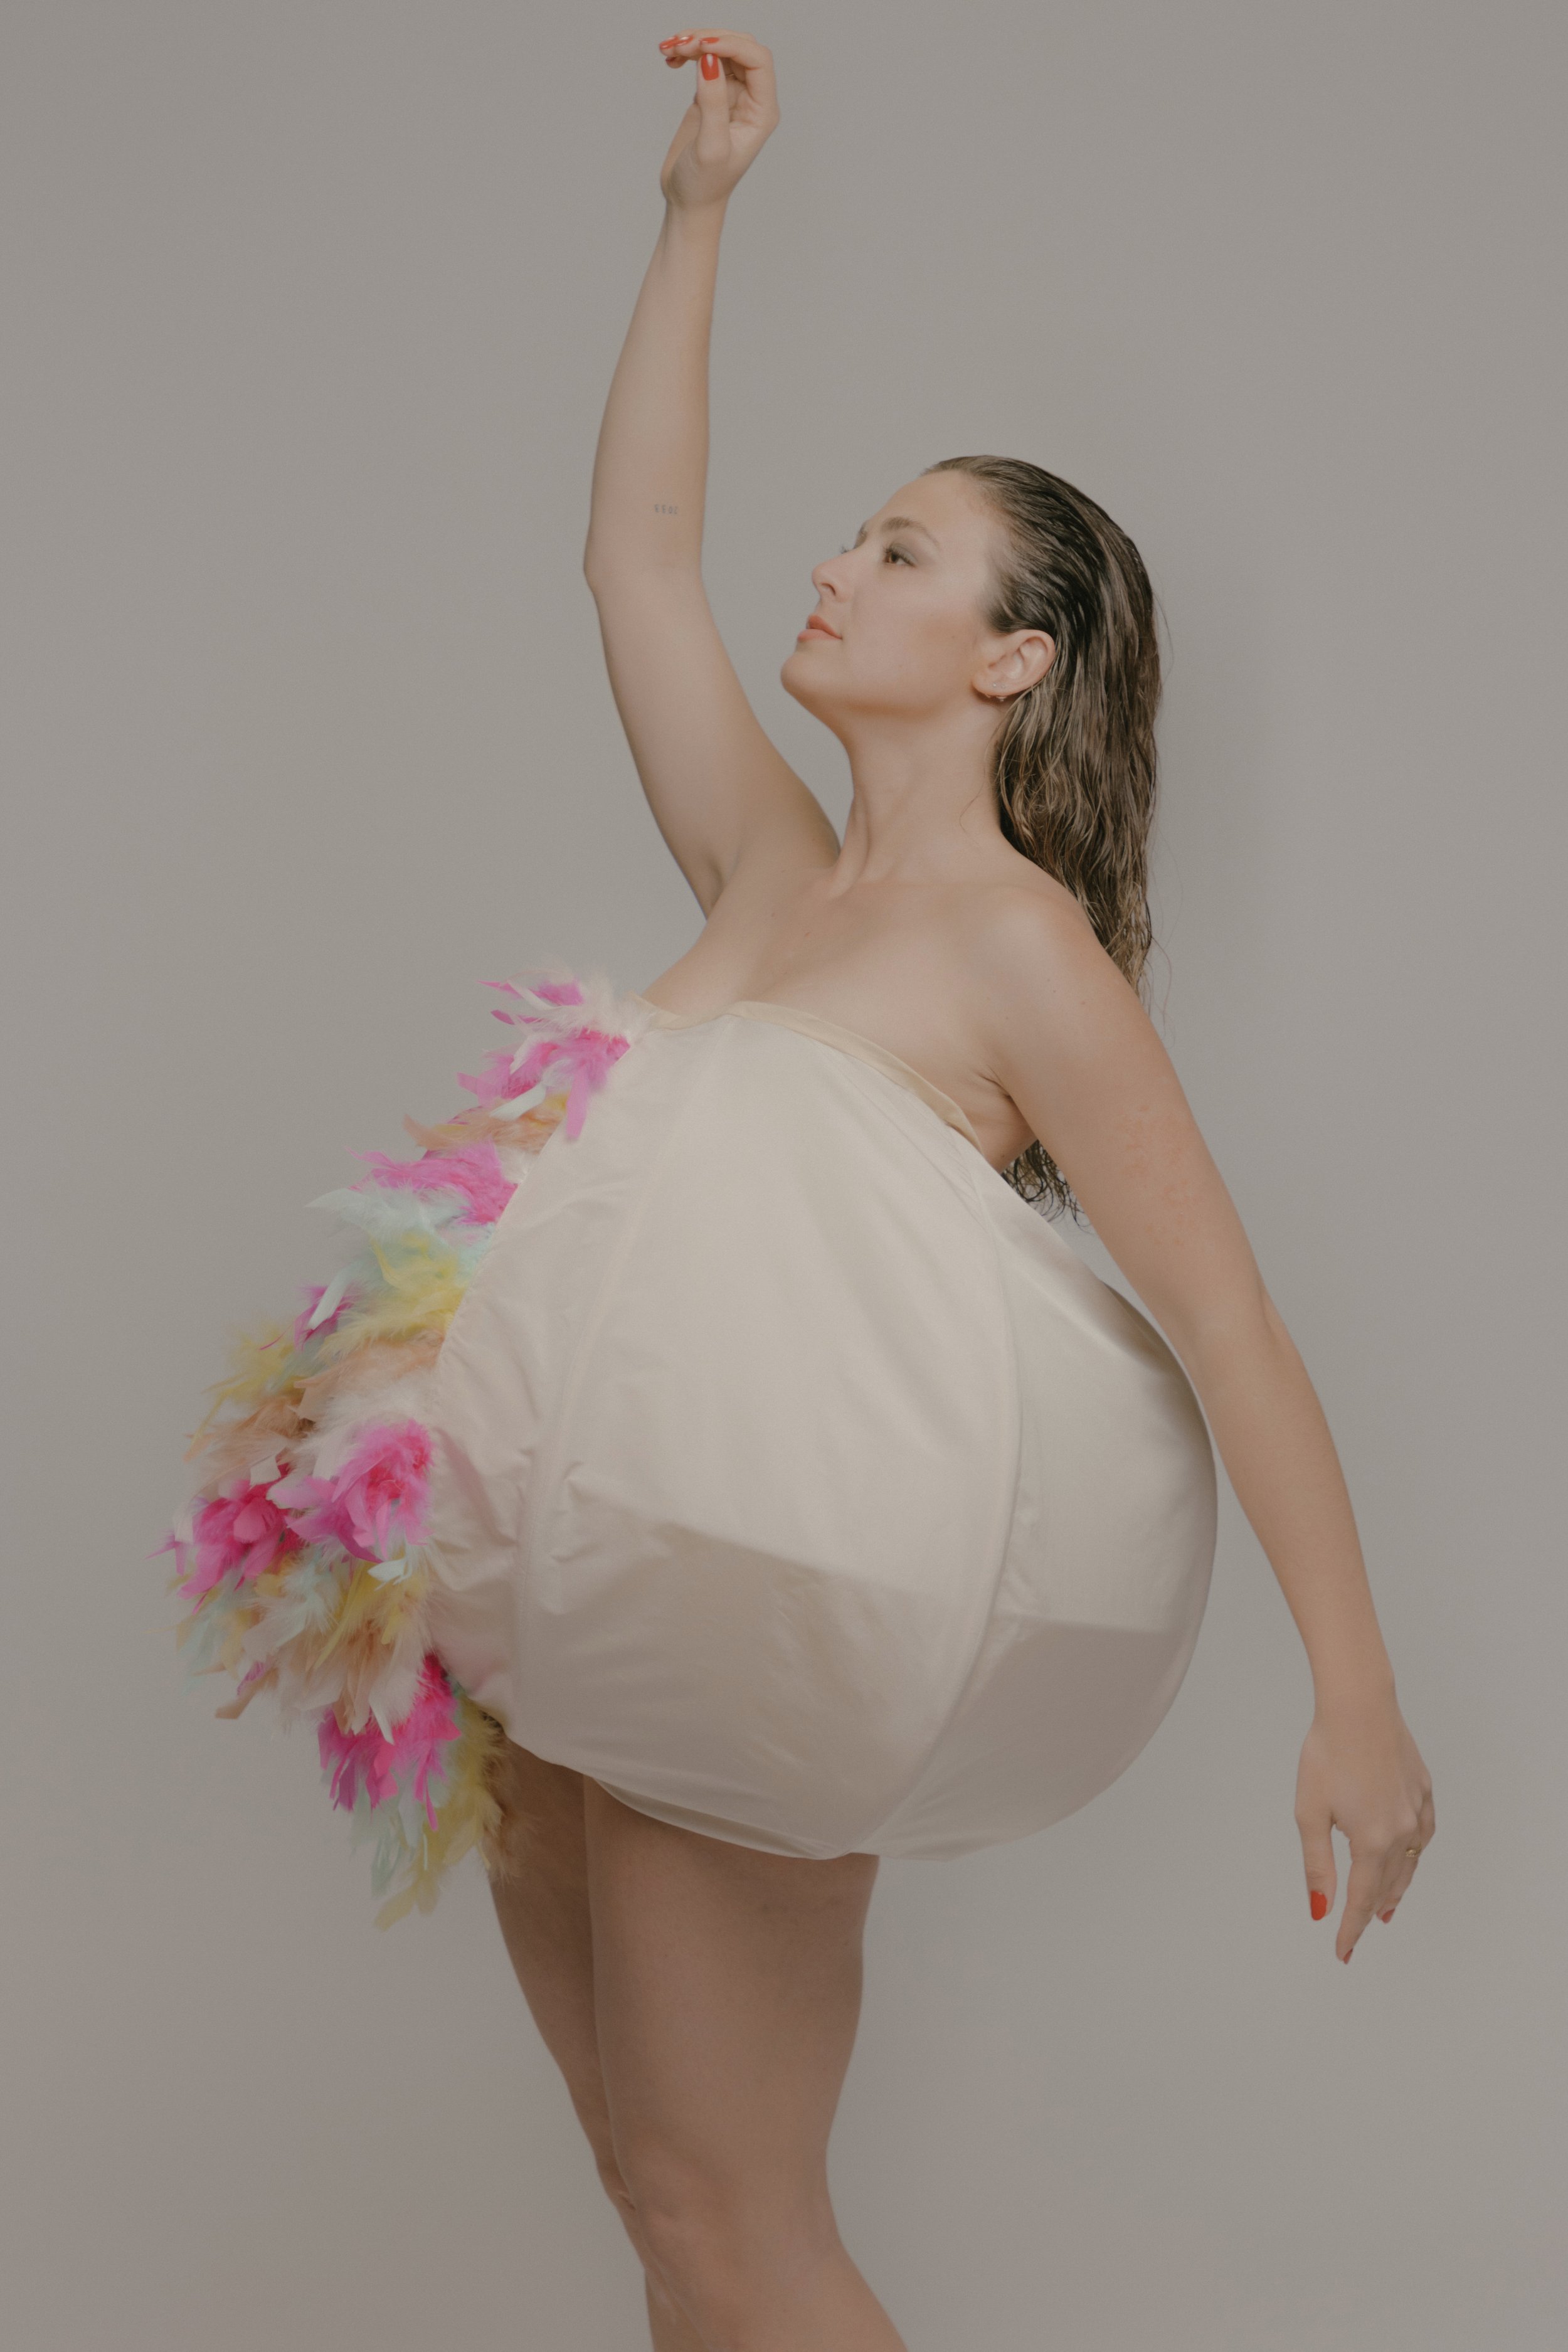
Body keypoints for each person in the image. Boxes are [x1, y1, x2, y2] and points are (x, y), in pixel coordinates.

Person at [166, 29, 1434, 2351]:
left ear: (1012, 656)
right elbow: (631, 555)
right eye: (850, 531)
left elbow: (1226, 1316)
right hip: (558, 1605)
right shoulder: (765, 866)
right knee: (662, 2206)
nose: (833, 570)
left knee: (741, 2223)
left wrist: (1352, 1696)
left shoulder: (1013, 952)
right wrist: (697, 216)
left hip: (753, 1640)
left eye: (901, 553)